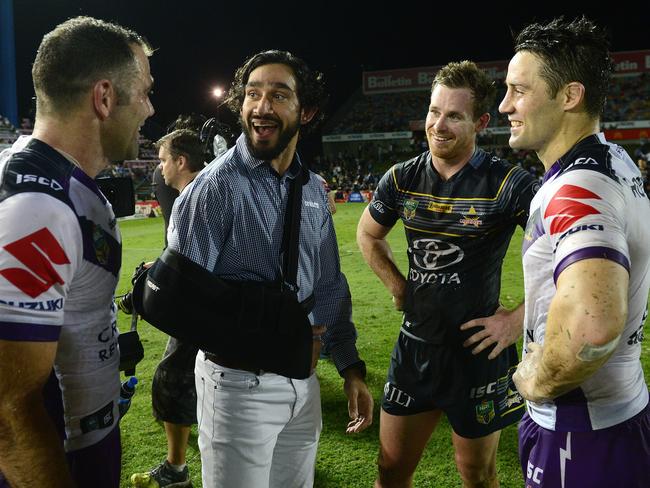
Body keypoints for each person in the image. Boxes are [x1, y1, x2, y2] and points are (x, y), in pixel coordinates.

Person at [166, 50, 373, 488]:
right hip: (239, 387)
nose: (262, 106)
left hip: (304, 381)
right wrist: (254, 327)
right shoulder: (214, 189)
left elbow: (330, 285)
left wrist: (350, 367)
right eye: (253, 94)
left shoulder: (313, 187)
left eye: (279, 95)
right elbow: (181, 304)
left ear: (308, 111)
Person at [357, 60, 538, 488]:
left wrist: (516, 319)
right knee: (389, 471)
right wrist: (398, 287)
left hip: (478, 357)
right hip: (415, 351)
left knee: (477, 475)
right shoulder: (402, 178)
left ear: (481, 122)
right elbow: (369, 235)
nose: (438, 125)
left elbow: (565, 262)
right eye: (434, 111)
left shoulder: (509, 184)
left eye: (454, 115)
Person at [0, 16, 153, 488]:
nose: (149, 108)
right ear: (104, 98)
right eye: (145, 91)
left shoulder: (59, 185)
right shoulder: (38, 208)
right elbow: (7, 410)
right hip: (57, 460)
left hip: (85, 440)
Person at [499, 17, 650, 488]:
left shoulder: (576, 186)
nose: (505, 105)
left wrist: (532, 382)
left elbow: (593, 327)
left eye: (518, 91)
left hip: (581, 437)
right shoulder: (613, 160)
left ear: (569, 96)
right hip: (618, 416)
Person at [130, 128, 206, 488]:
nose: (159, 168)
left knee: (170, 380)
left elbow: (191, 262)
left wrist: (152, 285)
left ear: (180, 161)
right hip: (210, 309)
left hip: (203, 311)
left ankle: (176, 472)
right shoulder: (200, 191)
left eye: (163, 160)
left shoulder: (193, 197)